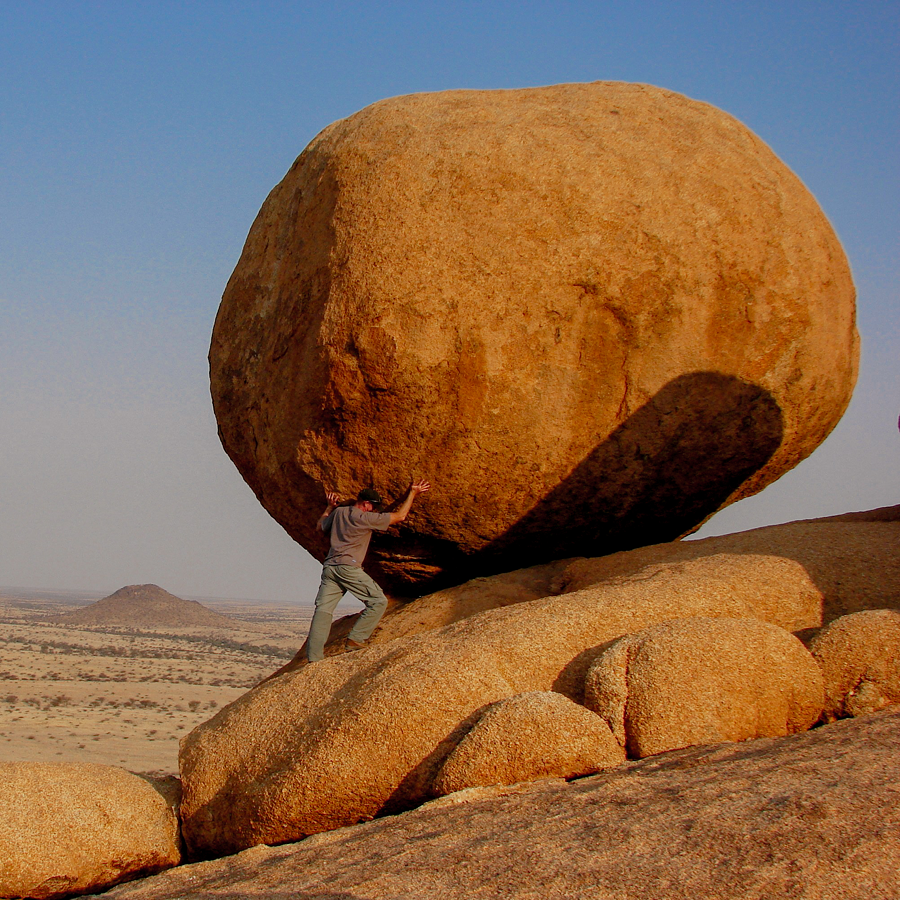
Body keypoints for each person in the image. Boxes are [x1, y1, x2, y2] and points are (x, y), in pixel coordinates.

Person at [306, 480, 431, 663]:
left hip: (330, 568)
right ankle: (356, 640)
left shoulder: (339, 512)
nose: (374, 510)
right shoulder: (365, 519)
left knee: (323, 610)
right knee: (378, 601)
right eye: (373, 506)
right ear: (365, 504)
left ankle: (314, 658)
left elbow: (320, 526)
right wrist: (413, 493)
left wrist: (329, 507)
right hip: (349, 567)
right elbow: (400, 516)